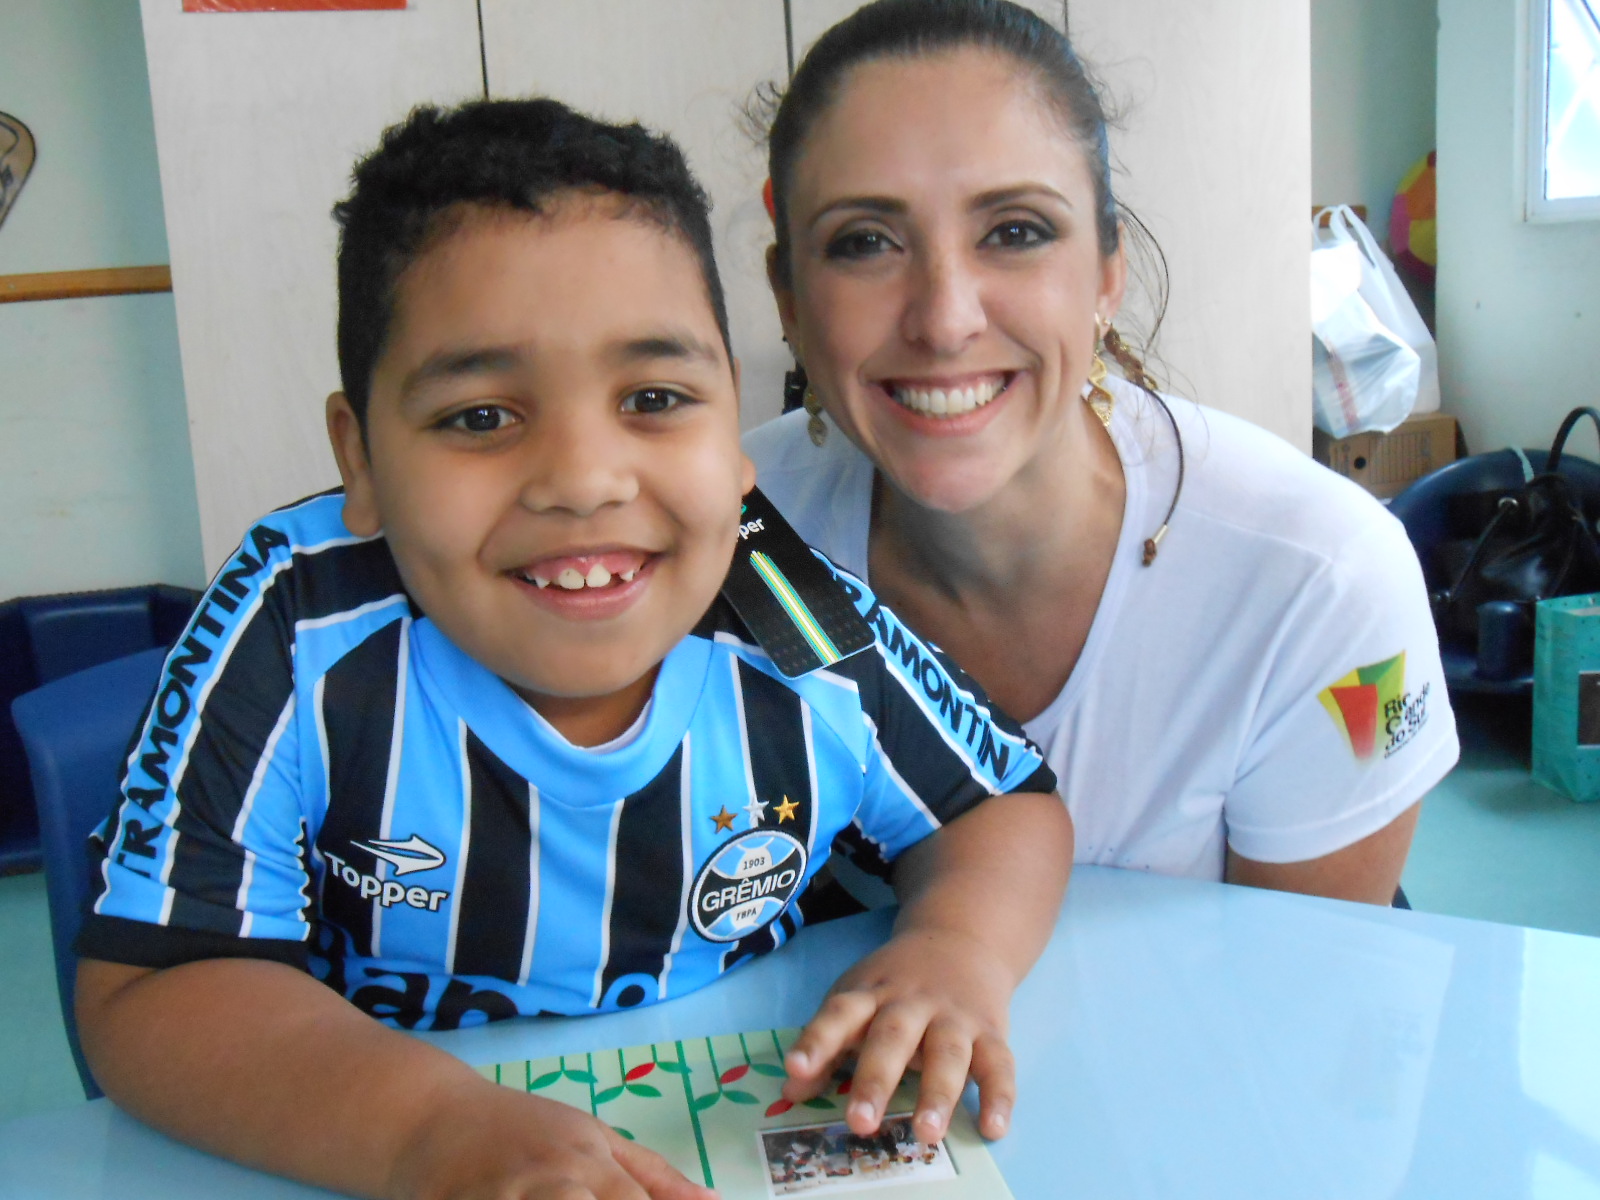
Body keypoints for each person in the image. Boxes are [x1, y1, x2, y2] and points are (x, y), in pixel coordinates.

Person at [73, 98, 1072, 1200]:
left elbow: (1000, 807)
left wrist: (957, 950)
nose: (584, 481)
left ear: (734, 433)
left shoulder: (790, 617)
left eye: (654, 398)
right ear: (359, 454)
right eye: (480, 418)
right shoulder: (294, 627)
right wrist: (425, 1133)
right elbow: (153, 988)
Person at [746, 0, 1458, 905]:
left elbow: (1307, 1002)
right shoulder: (724, 535)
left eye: (1014, 231)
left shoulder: (1325, 584)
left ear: (1108, 273)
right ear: (790, 299)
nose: (944, 318)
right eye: (864, 243)